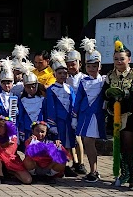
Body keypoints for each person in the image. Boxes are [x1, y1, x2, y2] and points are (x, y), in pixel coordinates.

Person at [104, 40, 133, 188]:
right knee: (118, 145)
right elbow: (105, 94)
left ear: (129, 59)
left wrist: (127, 96)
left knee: (129, 145)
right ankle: (124, 173)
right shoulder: (109, 75)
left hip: (130, 114)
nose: (119, 61)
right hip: (115, 115)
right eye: (116, 59)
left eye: (122, 58)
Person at [74, 38, 106, 183]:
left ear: (99, 66)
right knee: (87, 143)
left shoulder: (104, 81)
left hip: (96, 116)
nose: (92, 69)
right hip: (84, 115)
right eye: (89, 66)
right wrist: (74, 116)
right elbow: (78, 99)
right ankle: (93, 170)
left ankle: (94, 170)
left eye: (95, 66)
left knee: (88, 142)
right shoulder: (83, 81)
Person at [43, 49, 77, 177]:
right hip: (58, 120)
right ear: (55, 74)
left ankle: (66, 165)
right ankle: (58, 166)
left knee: (68, 143)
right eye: (60, 73)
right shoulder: (51, 90)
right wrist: (52, 124)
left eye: (65, 73)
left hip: (68, 121)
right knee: (59, 143)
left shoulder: (69, 89)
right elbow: (50, 107)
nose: (63, 75)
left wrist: (74, 118)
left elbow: (73, 103)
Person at [61, 37, 87, 173]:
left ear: (80, 64)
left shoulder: (84, 78)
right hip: (67, 111)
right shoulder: (64, 79)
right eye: (69, 64)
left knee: (78, 138)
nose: (71, 66)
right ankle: (73, 161)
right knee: (68, 137)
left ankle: (81, 163)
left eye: (74, 64)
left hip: (79, 111)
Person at [0, 116, 31, 184]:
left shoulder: (12, 138)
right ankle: (0, 176)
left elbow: (9, 153)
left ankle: (10, 172)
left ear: (7, 128)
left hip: (11, 161)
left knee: (27, 180)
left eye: (1, 126)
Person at [16, 60, 44, 144]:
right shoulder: (21, 100)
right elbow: (20, 116)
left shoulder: (43, 99)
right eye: (28, 87)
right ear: (24, 87)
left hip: (41, 131)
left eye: (33, 86)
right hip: (27, 130)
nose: (31, 89)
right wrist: (21, 130)